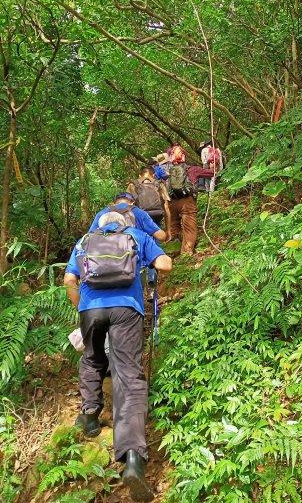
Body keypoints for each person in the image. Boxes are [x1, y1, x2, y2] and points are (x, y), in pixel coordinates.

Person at [64, 211, 172, 502]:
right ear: (124, 224)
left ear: (101, 225)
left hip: (90, 308)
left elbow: (69, 279)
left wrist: (81, 307)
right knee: (128, 375)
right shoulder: (136, 236)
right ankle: (133, 457)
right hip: (127, 309)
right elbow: (166, 263)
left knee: (92, 358)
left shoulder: (85, 240)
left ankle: (89, 416)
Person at [89, 192, 167, 242]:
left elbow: (89, 237)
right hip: (133, 261)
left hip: (105, 259)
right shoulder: (140, 213)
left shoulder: (102, 213)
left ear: (114, 203)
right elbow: (161, 236)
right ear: (132, 202)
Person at [127, 167, 171, 235]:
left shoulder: (132, 185)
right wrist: (168, 230)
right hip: (156, 218)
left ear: (139, 176)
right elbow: (166, 208)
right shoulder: (160, 184)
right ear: (153, 175)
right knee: (155, 240)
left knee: (141, 241)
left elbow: (127, 206)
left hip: (139, 219)